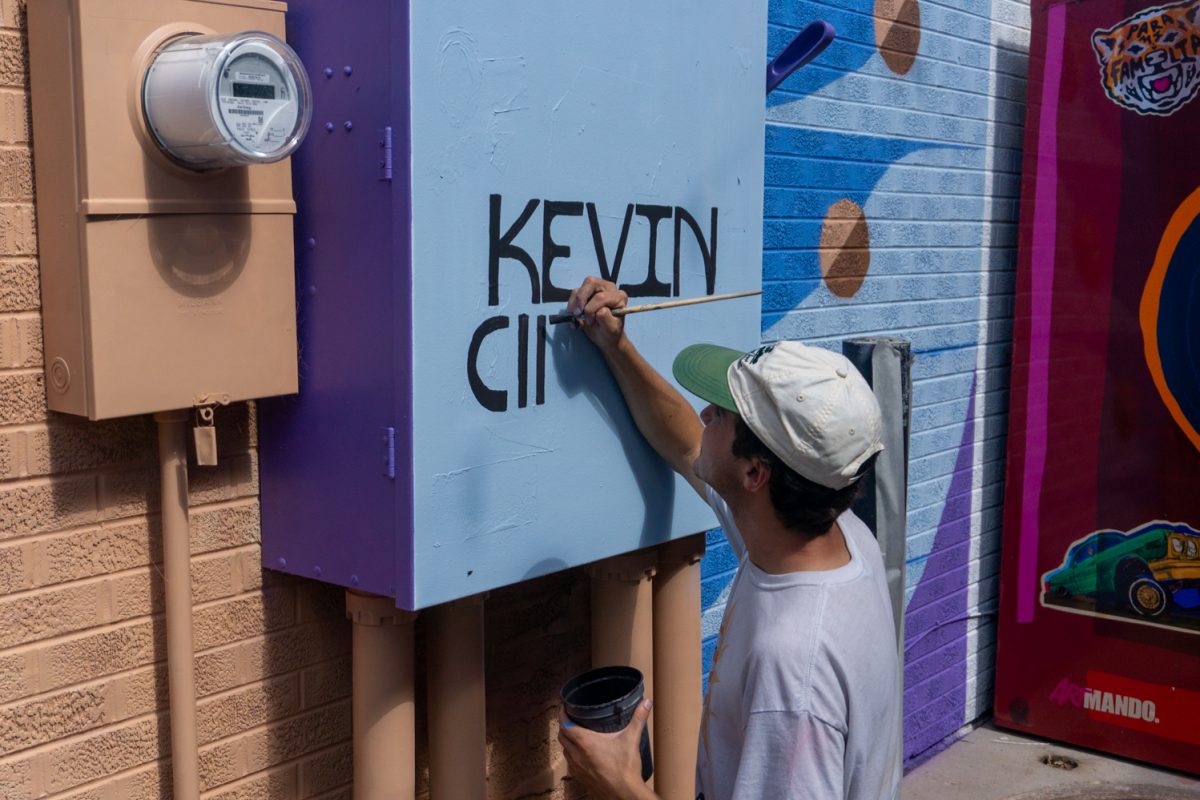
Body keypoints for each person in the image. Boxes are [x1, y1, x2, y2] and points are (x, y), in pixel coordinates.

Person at [556, 277, 902, 800]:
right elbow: (685, 440)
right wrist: (616, 345)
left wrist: (619, 786)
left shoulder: (792, 673)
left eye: (719, 412)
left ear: (755, 474)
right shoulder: (831, 537)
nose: (703, 414)